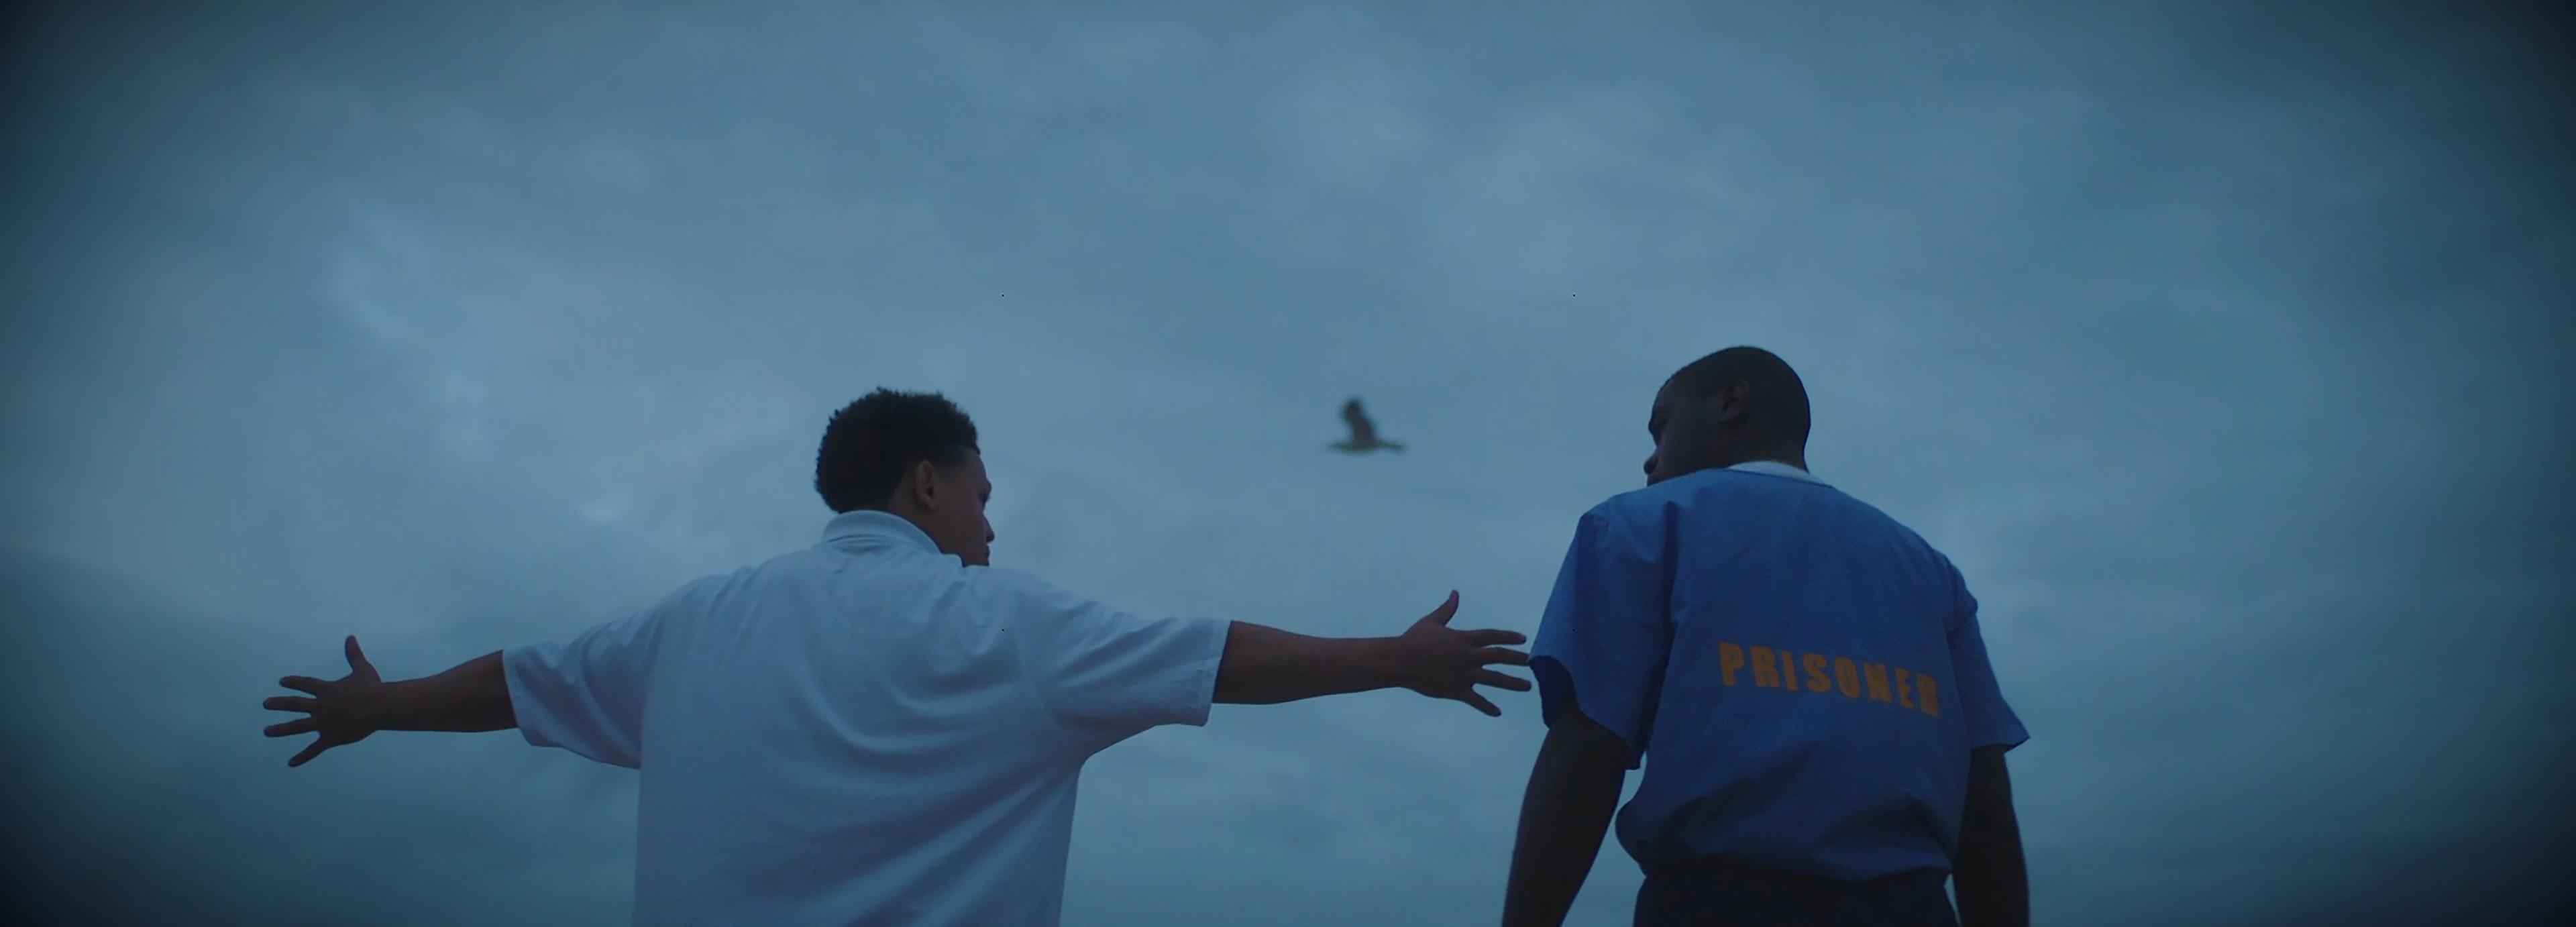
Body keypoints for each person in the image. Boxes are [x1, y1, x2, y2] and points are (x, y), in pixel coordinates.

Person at [261, 388, 1532, 927]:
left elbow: (512, 683)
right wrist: (1392, 658)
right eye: (983, 492)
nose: (994, 520)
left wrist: (377, 706)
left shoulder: (691, 621)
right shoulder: (1009, 624)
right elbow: (1220, 657)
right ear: (927, 483)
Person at [1499, 347, 2029, 927]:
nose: (1650, 461)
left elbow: (1586, 751)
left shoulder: (1638, 527)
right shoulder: (1930, 571)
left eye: (1662, 426)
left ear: (1731, 401)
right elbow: (1986, 802)